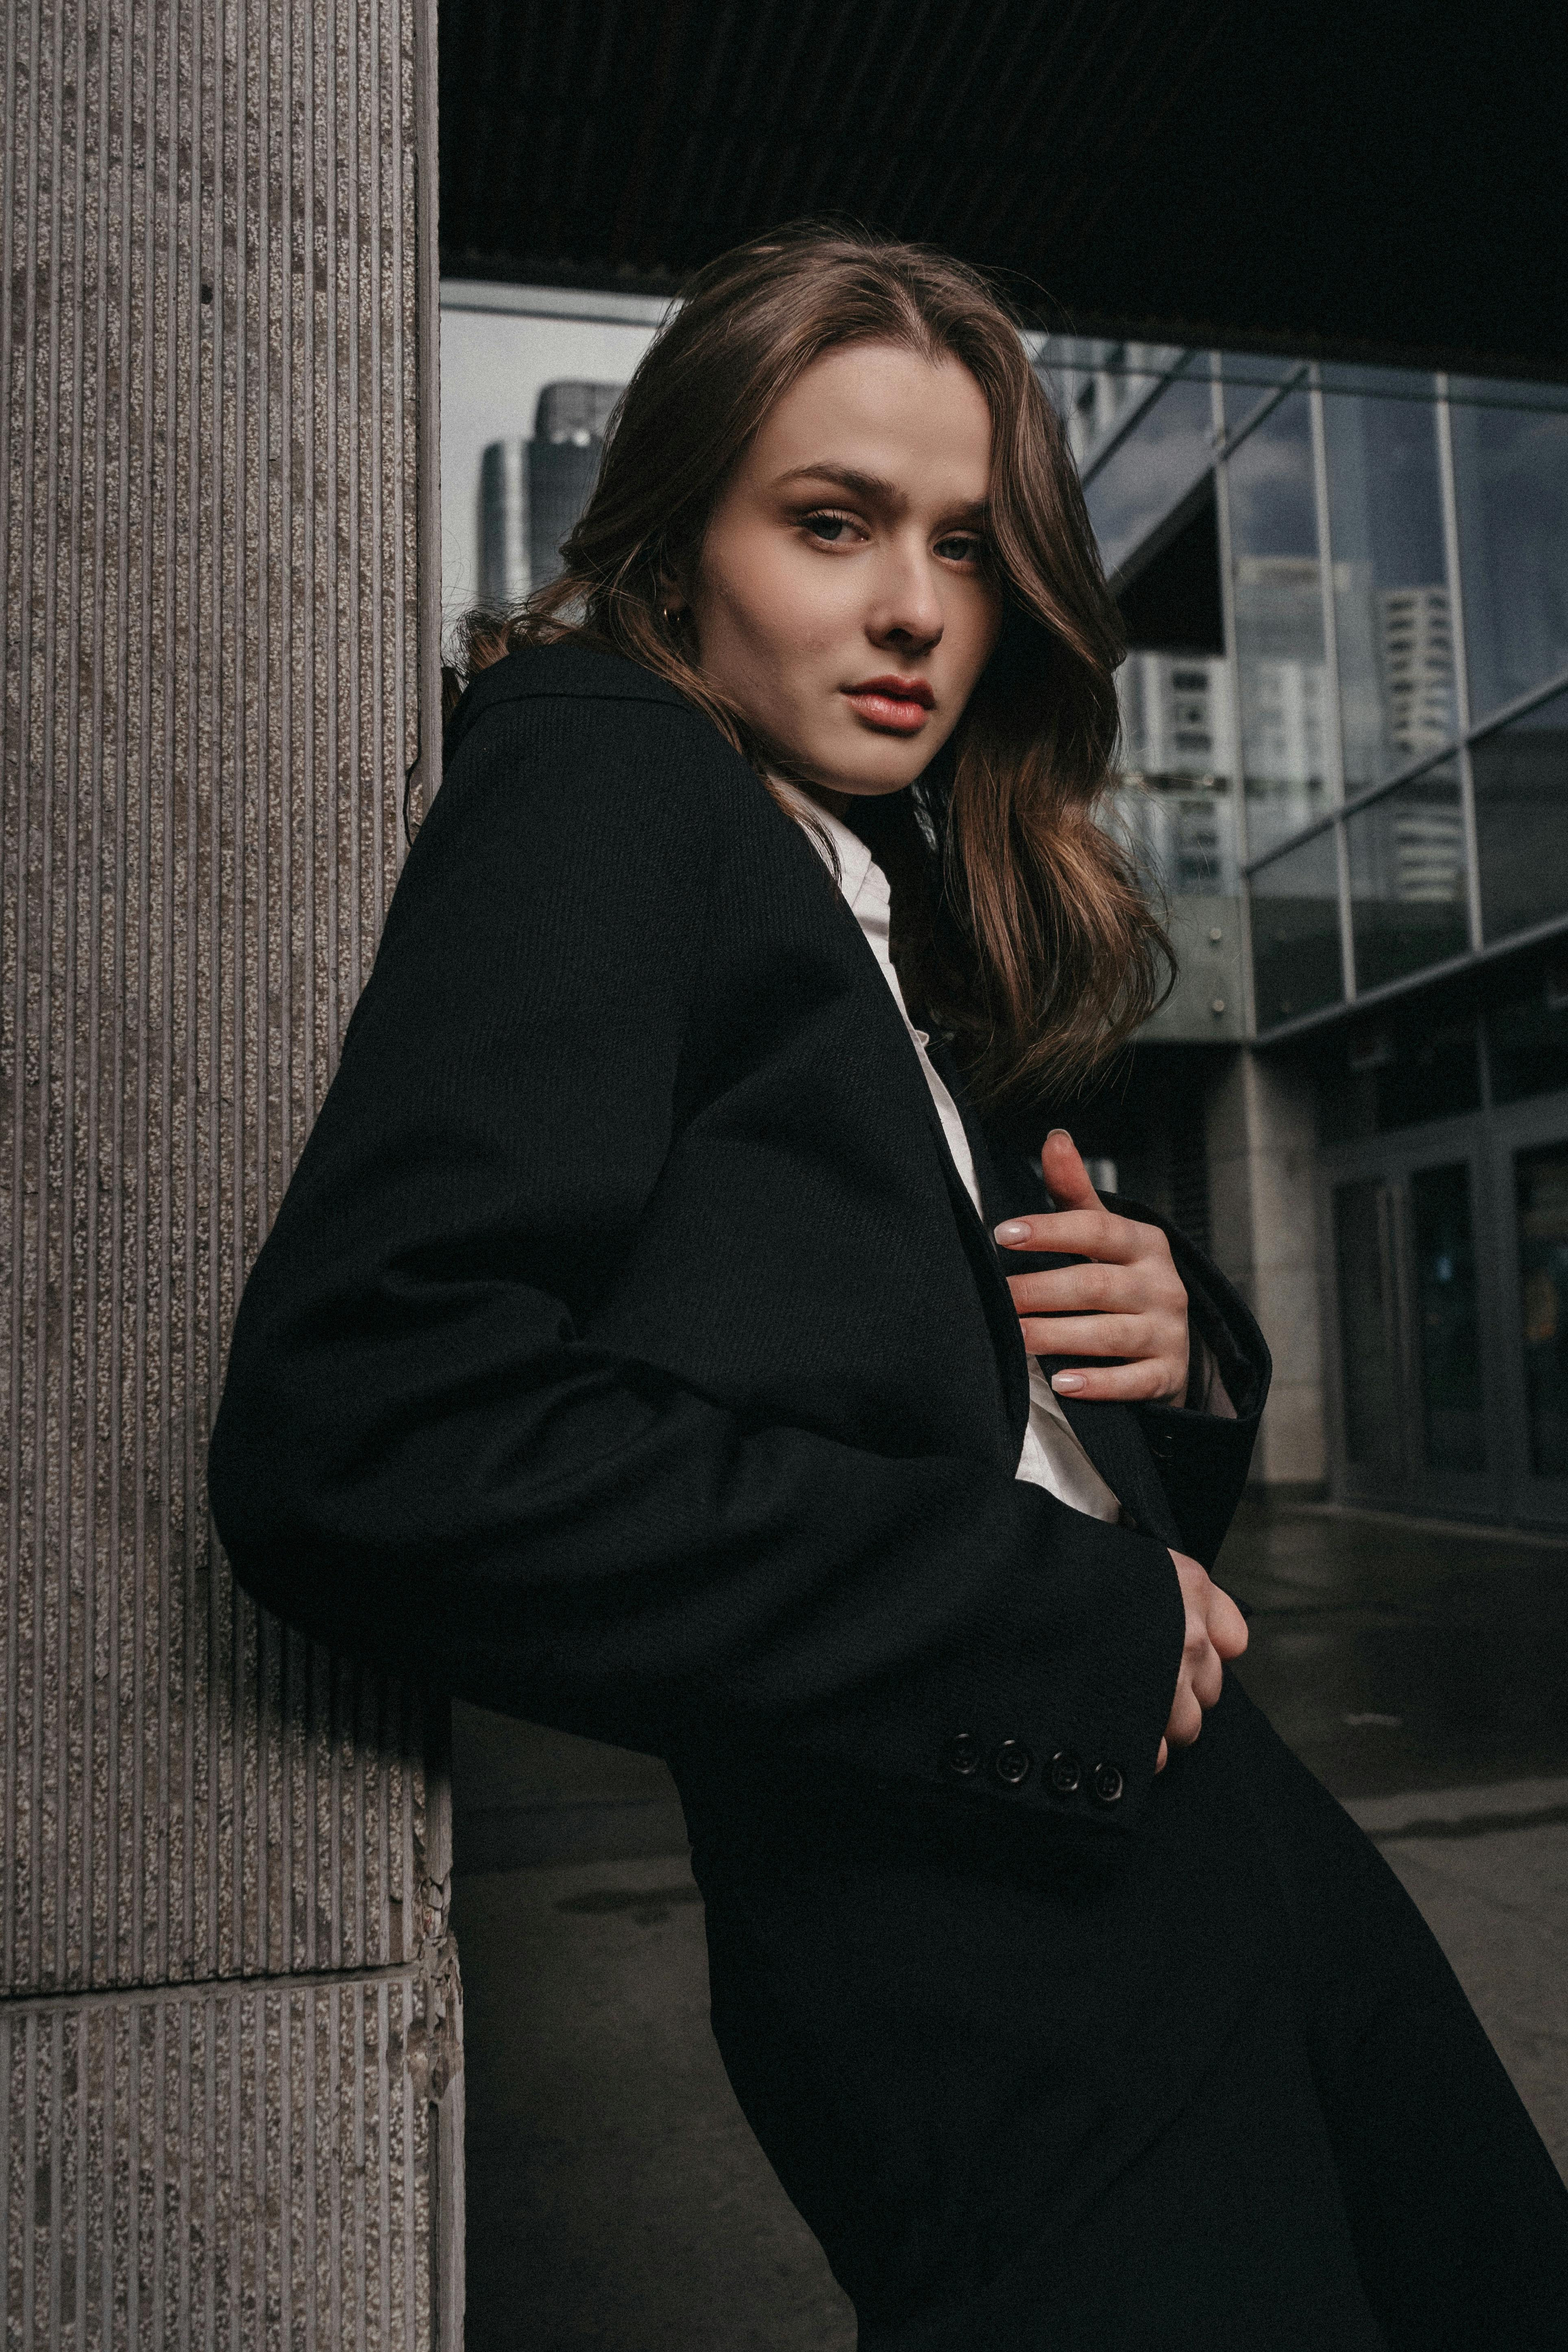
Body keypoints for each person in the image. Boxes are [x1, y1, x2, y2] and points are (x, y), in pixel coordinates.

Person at [208, 224, 1568, 2349]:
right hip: (971, 1930)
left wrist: (1172, 1332)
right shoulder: (607, 772)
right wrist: (1044, 1608)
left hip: (1210, 1817)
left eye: (965, 540)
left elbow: (931, 1382)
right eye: (831, 522)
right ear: (678, 540)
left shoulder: (889, 887)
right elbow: (370, 1426)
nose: (918, 609)